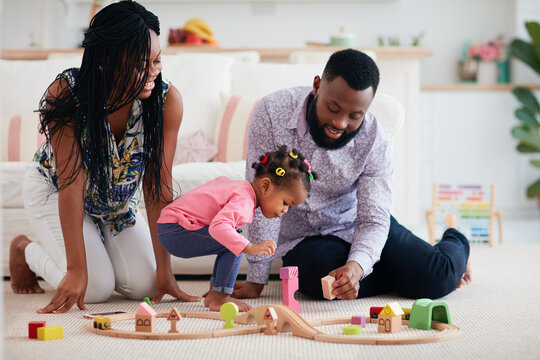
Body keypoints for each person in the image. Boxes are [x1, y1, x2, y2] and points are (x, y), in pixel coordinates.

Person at [8, 0, 201, 314]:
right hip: (57, 191)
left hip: (116, 204)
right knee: (94, 288)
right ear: (108, 60)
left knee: (149, 286)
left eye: (157, 60)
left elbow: (157, 189)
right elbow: (70, 183)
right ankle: (24, 249)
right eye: (142, 63)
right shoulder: (67, 93)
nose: (154, 72)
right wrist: (76, 269)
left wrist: (165, 270)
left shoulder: (167, 102)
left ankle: (100, 248)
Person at [233, 49, 471, 301]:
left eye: (354, 116)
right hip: (306, 240)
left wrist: (357, 265)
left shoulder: (374, 140)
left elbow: (373, 218)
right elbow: (263, 196)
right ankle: (396, 274)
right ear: (316, 86)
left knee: (438, 278)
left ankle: (455, 238)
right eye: (333, 108)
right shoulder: (271, 113)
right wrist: (256, 278)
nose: (340, 123)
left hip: (354, 224)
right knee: (313, 280)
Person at [157, 146, 317, 312]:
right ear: (266, 186)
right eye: (285, 203)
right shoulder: (244, 201)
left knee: (233, 240)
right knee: (234, 243)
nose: (285, 210)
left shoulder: (239, 188)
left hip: (169, 226)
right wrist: (250, 247)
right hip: (176, 230)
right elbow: (218, 227)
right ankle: (218, 297)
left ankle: (216, 292)